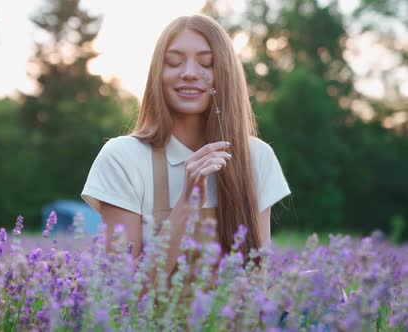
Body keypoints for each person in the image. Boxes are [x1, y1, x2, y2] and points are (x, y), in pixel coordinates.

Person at [81, 15, 290, 298]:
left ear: (225, 74)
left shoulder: (257, 157)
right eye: (174, 62)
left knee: (319, 285)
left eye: (206, 63)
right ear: (158, 73)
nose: (190, 73)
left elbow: (255, 286)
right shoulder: (123, 157)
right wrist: (186, 205)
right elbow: (123, 299)